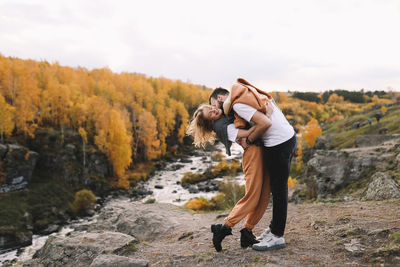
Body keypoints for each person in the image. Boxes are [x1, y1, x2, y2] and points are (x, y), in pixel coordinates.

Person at [209, 78, 297, 251]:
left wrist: (248, 139)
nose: (217, 109)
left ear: (220, 98)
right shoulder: (251, 96)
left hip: (277, 143)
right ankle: (267, 230)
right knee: (264, 192)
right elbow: (267, 112)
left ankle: (275, 234)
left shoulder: (238, 104)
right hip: (283, 139)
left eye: (214, 105)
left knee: (274, 191)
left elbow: (264, 123)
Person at [186, 104, 271, 252]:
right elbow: (247, 132)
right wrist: (263, 121)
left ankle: (247, 232)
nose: (213, 110)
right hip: (252, 154)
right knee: (253, 196)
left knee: (264, 195)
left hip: (260, 151)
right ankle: (223, 227)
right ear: (210, 122)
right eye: (210, 113)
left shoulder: (222, 113)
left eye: (210, 108)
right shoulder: (221, 126)